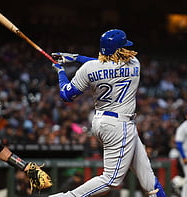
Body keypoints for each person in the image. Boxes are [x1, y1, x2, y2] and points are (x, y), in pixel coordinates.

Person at [49, 29, 166, 197]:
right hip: (120, 125)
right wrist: (76, 57)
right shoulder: (134, 63)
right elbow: (109, 65)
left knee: (149, 180)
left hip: (102, 122)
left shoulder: (89, 68)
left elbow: (66, 95)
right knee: (111, 180)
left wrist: (61, 70)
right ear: (119, 49)